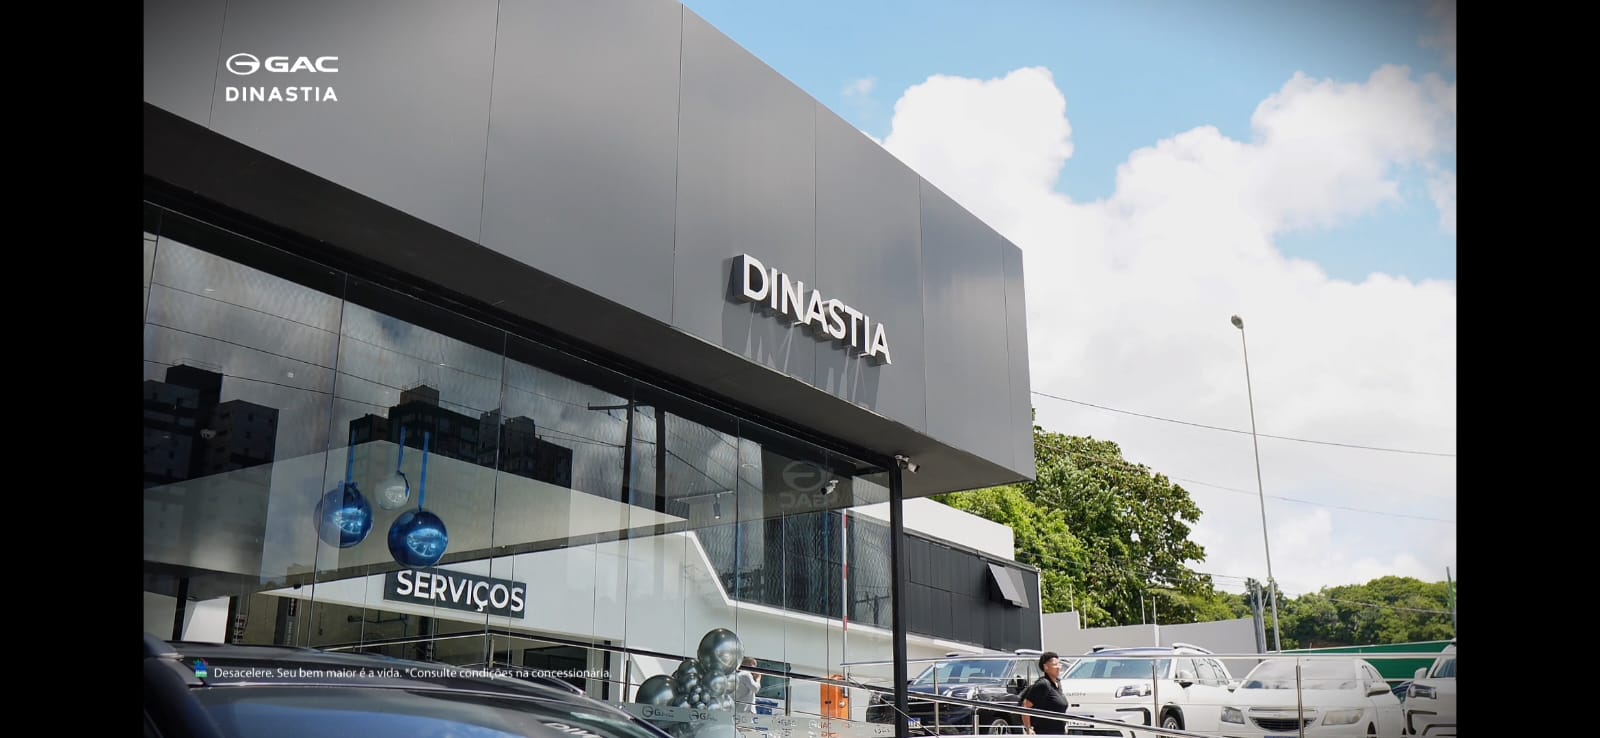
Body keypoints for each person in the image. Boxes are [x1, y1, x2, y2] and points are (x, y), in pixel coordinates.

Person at [1019, 652, 1070, 735]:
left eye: (1059, 664)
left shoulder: (1058, 683)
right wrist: (1028, 729)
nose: (1058, 667)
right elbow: (1025, 706)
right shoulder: (1043, 684)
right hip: (1044, 733)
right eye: (1055, 665)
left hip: (1059, 732)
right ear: (1046, 667)